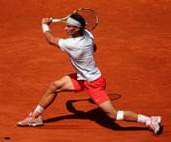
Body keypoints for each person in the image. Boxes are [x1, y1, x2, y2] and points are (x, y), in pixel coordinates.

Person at [17, 13, 162, 134]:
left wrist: (45, 25)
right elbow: (95, 48)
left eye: (68, 26)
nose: (65, 28)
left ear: (77, 28)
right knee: (55, 85)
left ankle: (149, 120)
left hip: (93, 83)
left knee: (113, 115)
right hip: (83, 78)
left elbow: (50, 39)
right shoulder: (88, 34)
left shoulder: (73, 44)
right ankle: (35, 117)